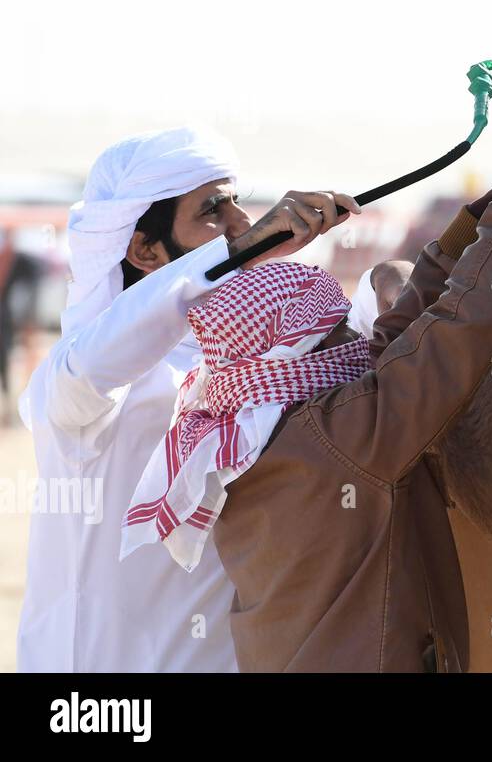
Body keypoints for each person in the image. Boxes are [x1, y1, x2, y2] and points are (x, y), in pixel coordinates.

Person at [121, 151, 492, 671]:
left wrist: (464, 233)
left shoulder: (248, 427)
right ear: (294, 348)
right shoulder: (341, 437)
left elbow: (382, 353)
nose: (348, 334)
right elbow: (458, 334)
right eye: (331, 330)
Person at [18, 125, 356, 671]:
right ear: (144, 250)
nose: (242, 224)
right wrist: (239, 251)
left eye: (238, 207)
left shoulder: (252, 367)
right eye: (213, 212)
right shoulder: (80, 382)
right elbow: (107, 353)